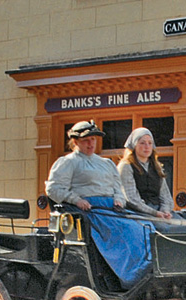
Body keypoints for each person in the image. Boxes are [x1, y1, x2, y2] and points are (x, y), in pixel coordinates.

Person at [46, 121, 150, 287]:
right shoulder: (68, 162)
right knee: (129, 230)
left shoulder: (106, 163)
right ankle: (133, 274)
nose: (91, 144)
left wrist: (119, 199)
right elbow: (53, 189)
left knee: (146, 226)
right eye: (86, 140)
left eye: (93, 139)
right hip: (90, 211)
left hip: (111, 209)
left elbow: (118, 188)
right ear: (75, 142)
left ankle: (149, 266)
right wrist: (76, 200)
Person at [118, 127, 174, 219]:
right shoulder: (126, 166)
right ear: (134, 145)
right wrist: (155, 213)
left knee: (185, 227)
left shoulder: (157, 167)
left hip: (159, 211)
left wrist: (165, 211)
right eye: (142, 143)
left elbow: (165, 196)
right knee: (165, 229)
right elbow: (131, 199)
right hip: (138, 213)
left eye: (150, 143)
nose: (147, 146)